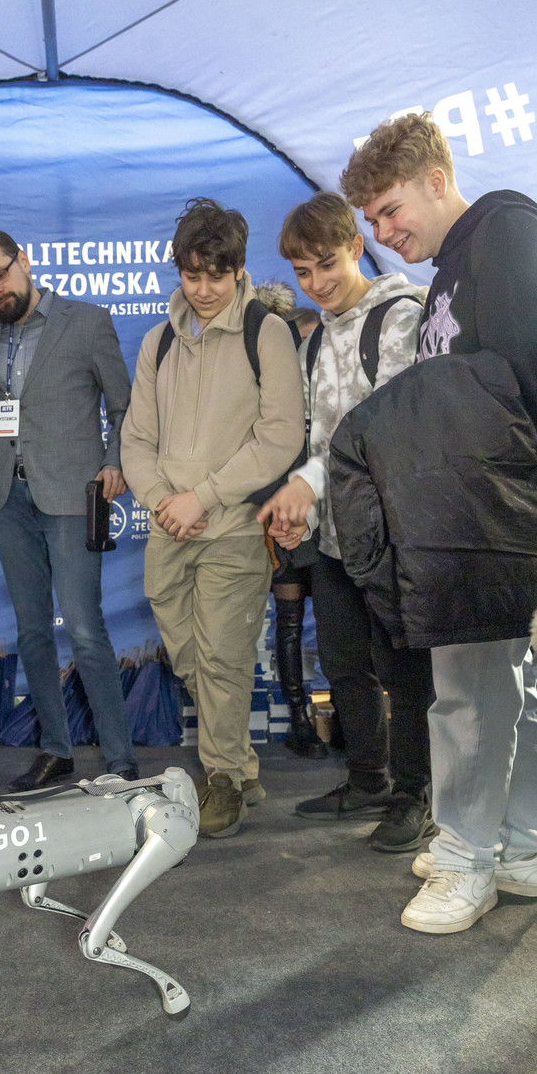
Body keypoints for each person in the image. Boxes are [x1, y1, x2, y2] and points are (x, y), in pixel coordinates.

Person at [334, 111, 537, 931]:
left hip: (498, 515)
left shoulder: (508, 232)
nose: (383, 233)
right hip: (470, 513)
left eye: (391, 210)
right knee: (499, 686)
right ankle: (525, 846)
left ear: (436, 180)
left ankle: (466, 859)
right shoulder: (449, 273)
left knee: (466, 695)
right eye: (371, 221)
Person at [121, 198, 304, 837]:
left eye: (216, 276)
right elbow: (136, 439)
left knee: (223, 658)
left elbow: (280, 437)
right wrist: (164, 502)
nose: (203, 290)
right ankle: (243, 766)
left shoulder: (266, 332)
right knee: (190, 659)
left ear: (238, 270)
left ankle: (222, 779)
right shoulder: (158, 342)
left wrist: (204, 497)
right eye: (192, 275)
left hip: (232, 529)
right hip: (168, 528)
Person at [259, 192, 435, 853]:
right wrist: (300, 512)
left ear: (357, 246)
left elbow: (381, 431)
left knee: (405, 674)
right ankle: (368, 779)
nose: (317, 283)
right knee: (341, 662)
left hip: (395, 535)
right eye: (303, 272)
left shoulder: (400, 316)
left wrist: (305, 484)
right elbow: (316, 439)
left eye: (327, 264)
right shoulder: (314, 341)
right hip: (336, 538)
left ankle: (415, 796)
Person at [0, 229, 137, 790]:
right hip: (7, 497)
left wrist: (115, 462)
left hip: (71, 495)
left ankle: (120, 759)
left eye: (1, 275)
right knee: (32, 631)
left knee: (84, 629)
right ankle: (56, 750)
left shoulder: (87, 322)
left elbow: (124, 406)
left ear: (25, 261)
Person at [252, 280, 325, 759]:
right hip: (281, 504)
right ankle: (300, 719)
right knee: (290, 618)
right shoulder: (256, 365)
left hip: (328, 500)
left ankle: (339, 717)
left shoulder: (316, 335)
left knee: (336, 619)